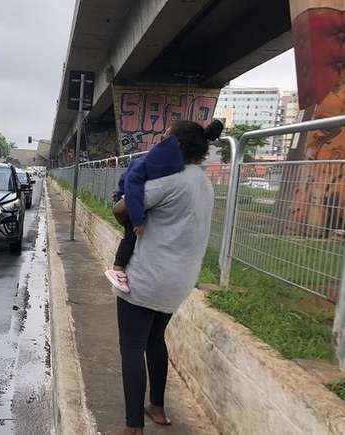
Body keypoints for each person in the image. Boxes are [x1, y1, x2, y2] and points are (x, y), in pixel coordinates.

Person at [113, 119, 223, 435]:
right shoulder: (204, 183)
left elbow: (122, 210)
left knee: (131, 347)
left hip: (146, 279)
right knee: (154, 338)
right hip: (179, 282)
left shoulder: (169, 181)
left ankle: (133, 426)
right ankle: (157, 407)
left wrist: (121, 202)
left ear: (173, 147)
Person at [104, 130, 190, 292]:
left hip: (125, 195)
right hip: (128, 198)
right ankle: (117, 269)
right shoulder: (152, 164)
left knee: (133, 236)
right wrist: (138, 220)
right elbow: (134, 189)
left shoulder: (151, 160)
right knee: (131, 235)